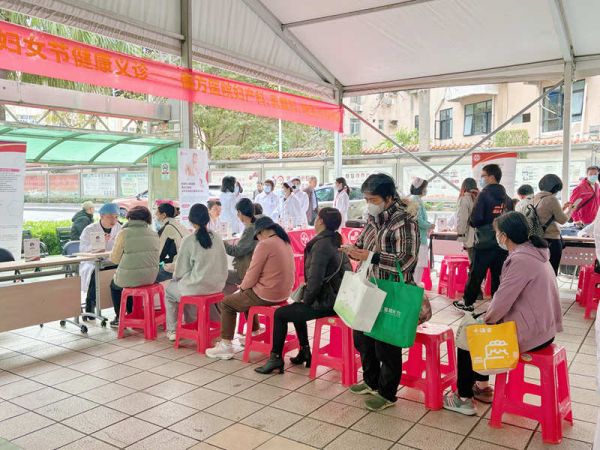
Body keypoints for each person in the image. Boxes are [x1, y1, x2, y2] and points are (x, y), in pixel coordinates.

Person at [443, 212, 563, 415]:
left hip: (531, 333)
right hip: (544, 329)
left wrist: (485, 320)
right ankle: (481, 387)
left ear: (505, 236)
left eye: (497, 233)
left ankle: (463, 398)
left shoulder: (521, 260)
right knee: (480, 325)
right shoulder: (536, 253)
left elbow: (502, 300)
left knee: (468, 334)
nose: (496, 236)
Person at [344, 173, 419, 412]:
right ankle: (371, 381)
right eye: (366, 199)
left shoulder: (404, 221)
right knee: (363, 338)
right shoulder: (373, 218)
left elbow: (406, 260)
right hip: (369, 285)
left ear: (388, 197)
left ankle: (387, 393)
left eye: (373, 199)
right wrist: (353, 249)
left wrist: (372, 256)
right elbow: (363, 242)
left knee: (386, 344)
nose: (369, 204)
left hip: (391, 289)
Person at [255, 208, 352, 374]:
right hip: (338, 298)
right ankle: (305, 351)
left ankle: (275, 358)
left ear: (320, 221)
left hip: (327, 302)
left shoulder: (321, 245)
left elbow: (315, 280)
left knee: (281, 314)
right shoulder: (335, 240)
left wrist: (306, 300)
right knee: (295, 308)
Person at [205, 216, 295, 360]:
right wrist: (245, 288)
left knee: (227, 303)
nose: (258, 239)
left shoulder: (265, 245)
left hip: (268, 294)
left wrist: (242, 287)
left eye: (257, 236)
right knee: (245, 296)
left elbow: (252, 273)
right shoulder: (284, 241)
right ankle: (254, 332)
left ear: (262, 231)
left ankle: (226, 346)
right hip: (284, 293)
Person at [454, 164, 513, 312]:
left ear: (491, 177)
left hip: (484, 242)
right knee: (498, 275)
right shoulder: (507, 198)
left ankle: (468, 303)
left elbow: (476, 219)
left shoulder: (484, 195)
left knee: (476, 273)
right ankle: (497, 306)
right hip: (502, 243)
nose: (481, 179)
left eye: (483, 176)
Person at [164, 204, 228, 341]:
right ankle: (196, 324)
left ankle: (173, 330)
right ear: (207, 218)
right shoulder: (217, 238)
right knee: (186, 288)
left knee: (170, 292)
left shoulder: (189, 240)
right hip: (217, 286)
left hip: (197, 287)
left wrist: (175, 277)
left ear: (191, 220)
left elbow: (180, 270)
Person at [108, 206, 160, 327]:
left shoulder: (124, 233)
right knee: (129, 281)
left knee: (115, 285)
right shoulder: (153, 233)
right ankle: (131, 313)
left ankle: (120, 317)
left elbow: (115, 259)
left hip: (130, 278)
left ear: (130, 218)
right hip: (150, 278)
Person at [79, 202, 122, 316]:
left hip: (112, 261)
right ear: (101, 216)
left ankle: (118, 308)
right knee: (96, 274)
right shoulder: (90, 229)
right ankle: (90, 304)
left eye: (116, 217)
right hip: (92, 262)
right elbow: (83, 250)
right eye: (110, 217)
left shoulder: (119, 228)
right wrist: (100, 244)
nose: (113, 220)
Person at [532, 174, 574, 274]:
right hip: (551, 240)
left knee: (540, 272)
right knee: (551, 272)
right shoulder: (551, 199)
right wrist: (571, 210)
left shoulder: (535, 198)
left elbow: (546, 215)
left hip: (537, 239)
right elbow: (562, 220)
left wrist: (562, 209)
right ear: (555, 187)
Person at [223, 198, 258, 295]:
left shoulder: (250, 229)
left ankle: (228, 302)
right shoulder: (255, 226)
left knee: (219, 275)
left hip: (245, 272)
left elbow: (236, 251)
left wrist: (222, 243)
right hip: (250, 270)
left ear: (240, 212)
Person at [155, 203, 189, 282]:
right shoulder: (178, 224)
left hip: (178, 267)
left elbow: (159, 255)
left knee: (149, 276)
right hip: (189, 265)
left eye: (157, 213)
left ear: (164, 215)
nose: (155, 215)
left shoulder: (168, 227)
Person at [410, 178, 433, 287]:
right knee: (418, 266)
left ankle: (415, 288)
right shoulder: (415, 200)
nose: (426, 190)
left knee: (419, 266)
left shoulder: (417, 199)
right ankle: (414, 289)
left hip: (420, 237)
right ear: (420, 188)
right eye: (425, 188)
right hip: (418, 239)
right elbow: (418, 220)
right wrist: (429, 225)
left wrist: (428, 224)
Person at [456, 178, 479, 261]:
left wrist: (460, 235)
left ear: (464, 186)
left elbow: (462, 219)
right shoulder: (477, 198)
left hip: (469, 235)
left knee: (472, 262)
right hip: (479, 236)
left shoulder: (464, 199)